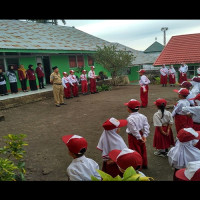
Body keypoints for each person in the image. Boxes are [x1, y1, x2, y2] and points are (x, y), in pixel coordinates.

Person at [124, 99, 150, 169]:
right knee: (143, 150)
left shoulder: (129, 119)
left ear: (129, 109)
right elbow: (146, 126)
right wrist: (144, 136)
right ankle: (144, 164)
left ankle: (137, 166)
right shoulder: (143, 116)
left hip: (133, 137)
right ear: (138, 108)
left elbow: (133, 130)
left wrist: (139, 137)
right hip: (141, 134)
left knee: (135, 151)